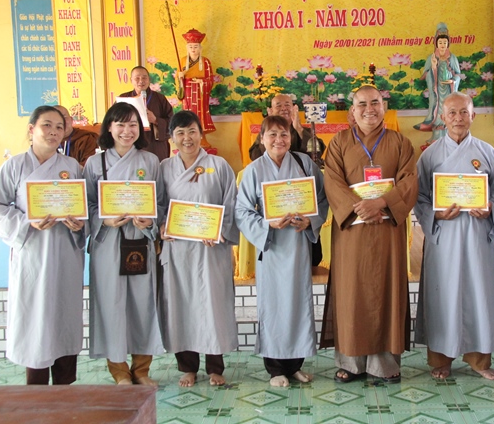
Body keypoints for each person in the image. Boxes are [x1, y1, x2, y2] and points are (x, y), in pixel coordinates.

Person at [320, 85, 417, 383]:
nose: (369, 109)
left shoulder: (400, 143)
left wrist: (381, 203)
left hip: (387, 229)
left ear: (383, 107)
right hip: (353, 230)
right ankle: (351, 363)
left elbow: (409, 180)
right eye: (362, 104)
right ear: (352, 110)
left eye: (375, 102)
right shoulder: (339, 142)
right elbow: (332, 181)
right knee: (351, 293)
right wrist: (360, 208)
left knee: (387, 291)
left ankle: (384, 365)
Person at [0, 105, 85, 385]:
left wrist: (80, 224)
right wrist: (27, 222)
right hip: (31, 253)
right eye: (47, 125)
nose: (53, 132)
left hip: (65, 253)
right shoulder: (14, 166)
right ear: (32, 129)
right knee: (35, 316)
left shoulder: (72, 167)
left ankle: (65, 387)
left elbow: (86, 207)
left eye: (59, 127)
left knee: (65, 314)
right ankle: (37, 390)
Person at [414, 92, 494, 380]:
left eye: (464, 112)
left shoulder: (487, 152)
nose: (458, 118)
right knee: (443, 294)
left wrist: (490, 208)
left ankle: (479, 360)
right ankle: (441, 359)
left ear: (473, 116)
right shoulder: (430, 155)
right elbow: (420, 196)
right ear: (442, 117)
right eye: (452, 113)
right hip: (445, 236)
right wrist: (437, 214)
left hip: (477, 235)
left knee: (479, 293)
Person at [236, 115, 328, 387]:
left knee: (298, 303)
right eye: (272, 135)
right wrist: (267, 224)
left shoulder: (304, 163)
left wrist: (311, 220)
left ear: (291, 137)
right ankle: (275, 369)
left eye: (284, 134)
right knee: (274, 305)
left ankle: (295, 365)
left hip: (298, 245)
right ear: (262, 139)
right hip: (272, 247)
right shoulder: (253, 170)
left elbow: (322, 198)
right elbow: (242, 211)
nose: (279, 140)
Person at [84, 102, 164, 386]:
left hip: (139, 241)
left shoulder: (150, 161)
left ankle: (141, 370)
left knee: (143, 302)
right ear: (109, 127)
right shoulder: (95, 164)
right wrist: (103, 220)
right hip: (108, 242)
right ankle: (119, 371)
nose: (127, 131)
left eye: (133, 124)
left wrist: (150, 221)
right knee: (111, 302)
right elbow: (86, 205)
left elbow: (161, 202)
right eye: (120, 124)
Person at [159, 111, 238, 387]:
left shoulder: (218, 165)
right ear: (171, 138)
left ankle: (215, 366)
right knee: (180, 305)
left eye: (192, 131)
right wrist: (161, 226)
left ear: (201, 134)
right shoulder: (164, 168)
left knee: (213, 304)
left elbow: (231, 203)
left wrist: (220, 230)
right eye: (180, 133)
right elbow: (158, 204)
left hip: (210, 249)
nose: (187, 138)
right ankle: (188, 367)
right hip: (178, 249)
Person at [414, 23, 461, 143]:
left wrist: (453, 81)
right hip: (436, 90)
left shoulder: (452, 58)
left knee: (449, 109)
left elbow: (458, 74)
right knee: (437, 108)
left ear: (448, 44)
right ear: (436, 43)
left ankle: (449, 137)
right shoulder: (431, 58)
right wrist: (434, 67)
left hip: (449, 89)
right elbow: (425, 75)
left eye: (445, 42)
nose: (442, 45)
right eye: (440, 42)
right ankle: (436, 136)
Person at [119, 66, 174, 161]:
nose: (141, 81)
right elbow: (113, 121)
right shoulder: (124, 99)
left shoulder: (160, 99)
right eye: (137, 78)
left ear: (149, 80)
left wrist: (156, 120)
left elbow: (173, 123)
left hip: (154, 147)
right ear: (131, 80)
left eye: (144, 78)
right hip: (130, 146)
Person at [248, 94, 322, 161]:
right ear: (271, 111)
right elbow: (255, 156)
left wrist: (299, 129)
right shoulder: (266, 133)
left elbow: (317, 154)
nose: (283, 108)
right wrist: (270, 127)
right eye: (278, 106)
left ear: (294, 109)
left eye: (287, 105)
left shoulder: (304, 131)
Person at [177, 29, 215, 140]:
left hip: (200, 93)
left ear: (200, 48)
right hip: (188, 92)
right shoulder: (183, 61)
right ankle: (188, 137)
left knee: (200, 115)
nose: (193, 49)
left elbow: (210, 79)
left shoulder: (206, 62)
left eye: (195, 47)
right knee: (187, 115)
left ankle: (202, 139)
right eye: (191, 47)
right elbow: (178, 80)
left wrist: (202, 82)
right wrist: (180, 77)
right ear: (187, 48)